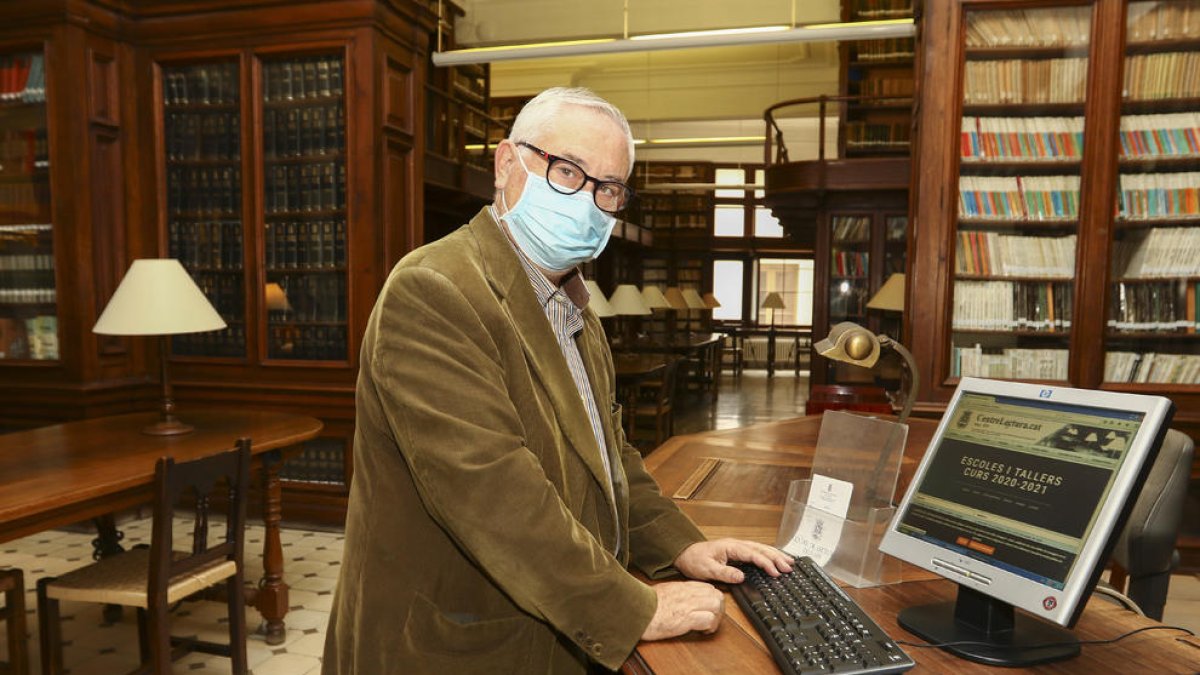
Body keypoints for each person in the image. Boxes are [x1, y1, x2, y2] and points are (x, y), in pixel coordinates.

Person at [322, 87, 793, 675]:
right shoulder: (434, 290)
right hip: (456, 645)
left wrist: (680, 545)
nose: (589, 200)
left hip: (547, 630)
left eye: (609, 188)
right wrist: (631, 609)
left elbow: (611, 458)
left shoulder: (573, 305)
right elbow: (492, 495)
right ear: (505, 164)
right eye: (568, 170)